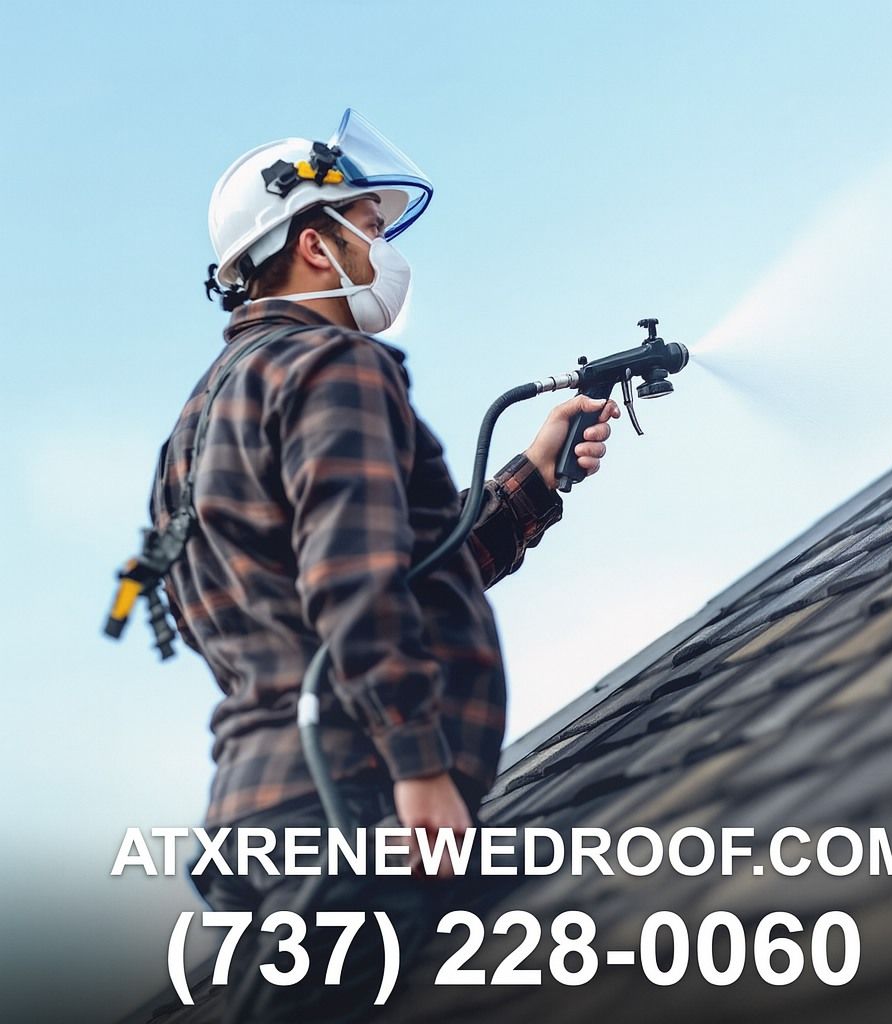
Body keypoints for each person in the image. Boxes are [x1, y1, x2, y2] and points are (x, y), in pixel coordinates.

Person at [150, 110, 618, 1020]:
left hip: (265, 817)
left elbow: (381, 579)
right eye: (369, 225)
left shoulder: (191, 432)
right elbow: (351, 584)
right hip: (355, 804)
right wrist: (417, 763)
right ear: (316, 246)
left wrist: (532, 475)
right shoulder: (333, 368)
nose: (384, 247)